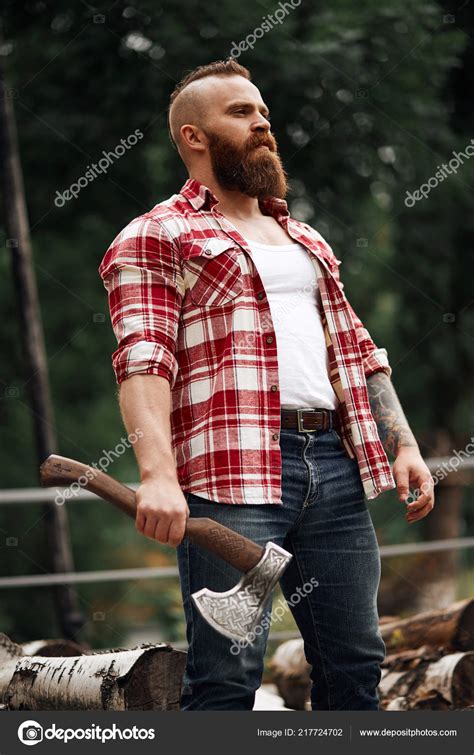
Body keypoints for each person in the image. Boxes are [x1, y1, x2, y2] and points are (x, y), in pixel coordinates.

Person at [98, 59, 434, 711]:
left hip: (334, 470)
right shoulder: (156, 236)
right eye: (243, 113)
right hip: (231, 479)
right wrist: (158, 474)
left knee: (355, 664)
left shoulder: (303, 237)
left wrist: (405, 444)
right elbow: (144, 363)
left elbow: (359, 350)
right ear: (194, 136)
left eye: (265, 115)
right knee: (226, 678)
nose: (263, 125)